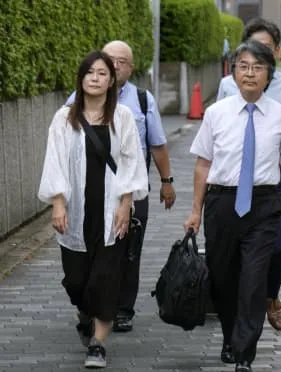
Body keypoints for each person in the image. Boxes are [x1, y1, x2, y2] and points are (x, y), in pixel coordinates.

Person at [184, 40, 281, 372]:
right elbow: (202, 164)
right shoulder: (216, 113)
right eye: (243, 66)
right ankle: (230, 336)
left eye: (258, 67)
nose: (249, 73)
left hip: (264, 204)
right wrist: (195, 210)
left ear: (269, 75)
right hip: (222, 202)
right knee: (223, 278)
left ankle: (245, 353)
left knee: (254, 280)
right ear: (233, 71)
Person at [38, 50, 148, 369]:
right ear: (81, 79)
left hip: (111, 212)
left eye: (102, 73)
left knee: (105, 279)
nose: (96, 78)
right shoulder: (64, 118)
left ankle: (98, 343)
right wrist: (58, 203)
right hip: (76, 213)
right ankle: (85, 312)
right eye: (90, 73)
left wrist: (127, 204)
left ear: (112, 80)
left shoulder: (123, 117)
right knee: (76, 281)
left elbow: (131, 162)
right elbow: (54, 162)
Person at [66, 40, 176, 333]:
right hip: (88, 188)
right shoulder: (76, 99)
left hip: (132, 186)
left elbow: (157, 144)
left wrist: (166, 182)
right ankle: (90, 305)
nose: (114, 65)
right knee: (89, 248)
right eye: (108, 59)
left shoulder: (142, 100)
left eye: (121, 61)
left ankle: (123, 308)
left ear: (130, 68)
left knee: (129, 248)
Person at [216, 18, 281, 333]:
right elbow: (219, 128)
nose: (255, 63)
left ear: (275, 53)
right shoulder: (229, 84)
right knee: (237, 251)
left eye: (267, 49)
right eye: (252, 52)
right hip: (236, 180)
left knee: (280, 246)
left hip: (277, 179)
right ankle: (244, 302)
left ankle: (270, 296)